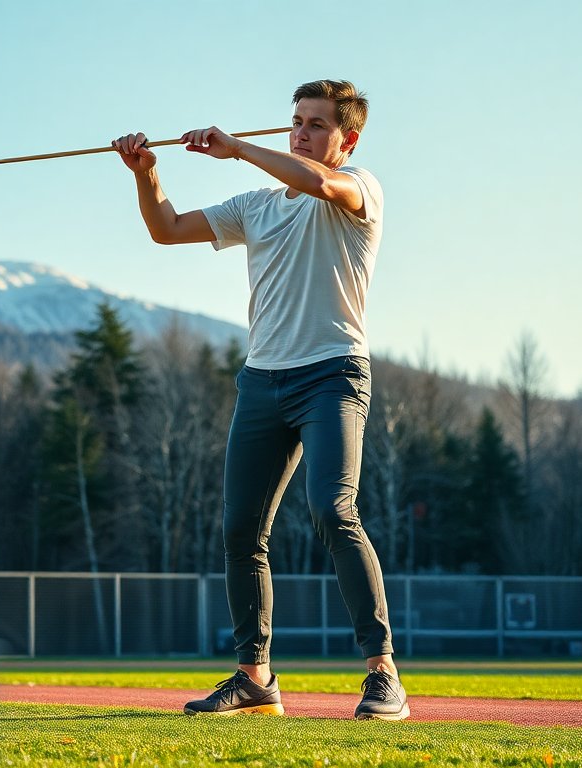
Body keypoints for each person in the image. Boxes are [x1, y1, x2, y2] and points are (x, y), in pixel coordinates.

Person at [112, 79, 406, 721]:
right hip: (262, 382)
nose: (300, 132)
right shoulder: (257, 205)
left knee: (333, 509)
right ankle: (254, 678)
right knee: (242, 529)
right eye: (296, 121)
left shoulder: (359, 187)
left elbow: (322, 185)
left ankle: (382, 673)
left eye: (316, 125)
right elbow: (165, 229)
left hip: (333, 375)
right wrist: (146, 173)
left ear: (345, 139)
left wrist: (238, 146)